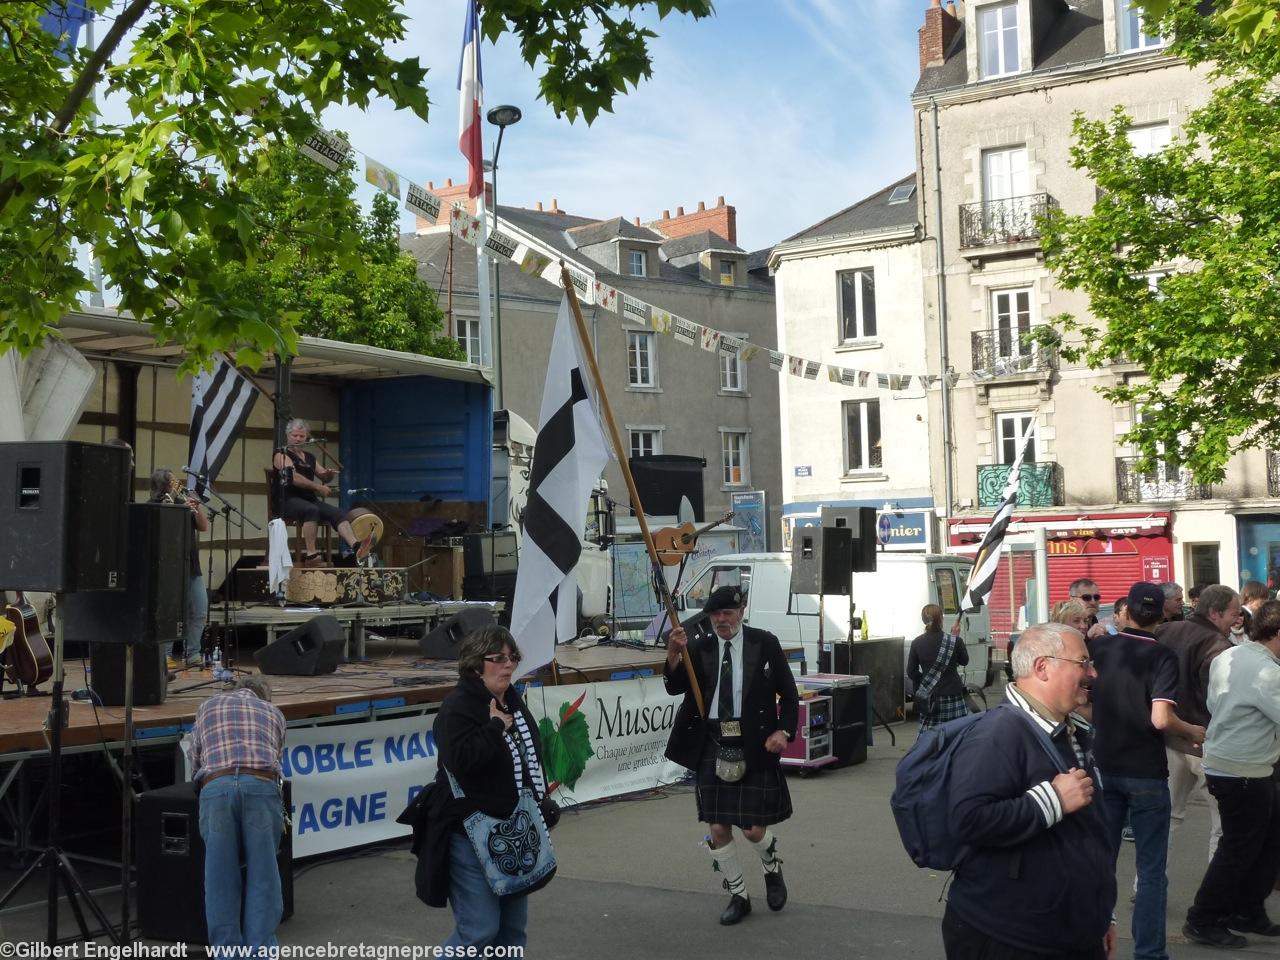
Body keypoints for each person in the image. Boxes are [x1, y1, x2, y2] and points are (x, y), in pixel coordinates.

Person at [943, 622, 1115, 959]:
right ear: (1042, 667)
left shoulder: (1070, 730)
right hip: (1010, 937)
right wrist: (1052, 800)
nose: (1092, 673)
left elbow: (1087, 834)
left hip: (1067, 931)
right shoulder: (998, 733)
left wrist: (1100, 915)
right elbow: (967, 820)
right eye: (1083, 663)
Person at [664, 586, 799, 925]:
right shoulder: (700, 646)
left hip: (753, 742)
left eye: (727, 613)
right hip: (712, 741)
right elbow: (674, 685)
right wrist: (673, 654)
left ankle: (771, 865)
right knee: (718, 827)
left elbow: (790, 694)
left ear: (741, 612)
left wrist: (783, 732)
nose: (721, 620)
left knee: (753, 830)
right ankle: (738, 895)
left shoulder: (764, 643)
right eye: (715, 615)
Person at [1088, 582, 1206, 960]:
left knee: (1100, 862)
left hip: (1104, 765)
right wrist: (1192, 730)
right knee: (1151, 869)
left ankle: (1092, 940)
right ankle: (1150, 953)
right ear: (1163, 614)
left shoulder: (1100, 648)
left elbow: (1083, 703)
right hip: (1145, 773)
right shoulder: (1162, 656)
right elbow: (1160, 718)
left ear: (1127, 611)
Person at [425, 626, 549, 951]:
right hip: (468, 835)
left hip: (512, 835)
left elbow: (528, 758)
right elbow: (461, 761)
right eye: (498, 659)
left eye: (513, 658)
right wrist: (494, 727)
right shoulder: (457, 708)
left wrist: (539, 800)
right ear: (476, 664)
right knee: (478, 931)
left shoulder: (513, 704)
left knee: (511, 935)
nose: (508, 665)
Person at [1183, 600, 1280, 948]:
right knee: (1238, 850)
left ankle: (1247, 911)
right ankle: (1203, 919)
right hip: (1242, 769)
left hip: (1243, 764)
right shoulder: (1265, 671)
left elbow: (1215, 702)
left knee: (1265, 844)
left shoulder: (1234, 655)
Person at [189, 676, 287, 951]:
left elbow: (195, 757)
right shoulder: (274, 713)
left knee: (219, 877)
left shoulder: (207, 706)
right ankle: (260, 951)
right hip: (261, 784)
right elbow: (277, 756)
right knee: (263, 874)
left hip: (216, 786)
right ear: (263, 696)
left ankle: (226, 952)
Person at [1155, 585, 1237, 868]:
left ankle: (1145, 885)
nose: (1236, 621)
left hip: (1170, 737)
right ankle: (1216, 895)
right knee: (1222, 824)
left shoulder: (1166, 631)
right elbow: (1222, 699)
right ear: (1215, 613)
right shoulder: (1219, 646)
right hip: (1204, 742)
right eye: (1233, 614)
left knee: (1168, 817)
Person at [272, 418, 366, 567]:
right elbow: (294, 478)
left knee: (338, 513)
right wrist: (318, 487)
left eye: (301, 436)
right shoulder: (281, 455)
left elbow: (324, 476)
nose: (297, 439)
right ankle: (311, 556)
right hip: (288, 500)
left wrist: (329, 474)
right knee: (312, 510)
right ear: (288, 435)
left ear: (306, 437)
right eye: (294, 435)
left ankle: (356, 547)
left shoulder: (309, 457)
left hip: (308, 499)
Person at [148, 468, 210, 667]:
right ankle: (164, 654)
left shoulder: (184, 502)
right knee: (170, 611)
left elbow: (203, 526)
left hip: (190, 563)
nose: (179, 484)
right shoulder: (153, 505)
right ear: (164, 485)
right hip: (167, 566)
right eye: (174, 481)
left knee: (199, 609)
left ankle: (193, 654)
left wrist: (197, 508)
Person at [907, 603, 969, 729]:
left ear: (924, 620)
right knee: (956, 736)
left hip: (930, 699)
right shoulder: (954, 641)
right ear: (941, 618)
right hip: (953, 697)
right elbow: (964, 661)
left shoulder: (917, 643)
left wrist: (925, 680)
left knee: (930, 739)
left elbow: (911, 672)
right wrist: (955, 637)